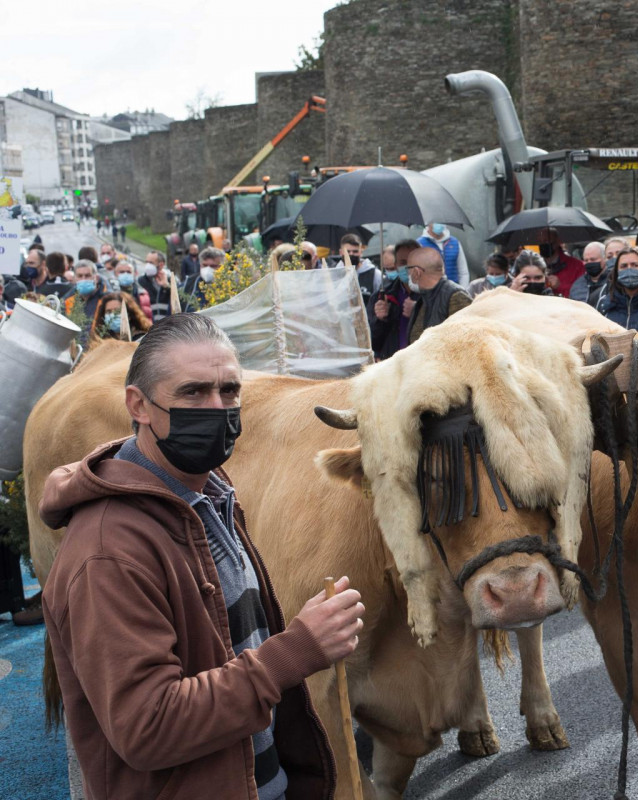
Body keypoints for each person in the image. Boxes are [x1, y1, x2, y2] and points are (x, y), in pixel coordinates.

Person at [40, 314, 351, 799]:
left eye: (230, 391)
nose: (218, 408)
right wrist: (296, 651)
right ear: (137, 405)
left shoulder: (211, 495)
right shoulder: (107, 552)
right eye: (193, 392)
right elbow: (148, 727)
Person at [406, 247, 471, 344]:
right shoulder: (423, 299)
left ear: (416, 272)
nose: (408, 274)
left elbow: (466, 341)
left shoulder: (456, 297)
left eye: (408, 269)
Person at [368, 239, 420, 359]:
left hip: (421, 363)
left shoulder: (431, 294)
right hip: (392, 364)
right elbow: (373, 343)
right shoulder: (381, 296)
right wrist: (380, 319)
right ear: (396, 265)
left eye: (412, 261)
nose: (407, 266)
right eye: (403, 262)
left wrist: (418, 311)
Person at [331, 233, 380, 307]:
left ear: (361, 252)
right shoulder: (333, 273)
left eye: (355, 251)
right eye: (348, 252)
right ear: (341, 252)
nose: (351, 254)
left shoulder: (374, 274)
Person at [536, 227, 585, 299]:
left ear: (557, 242)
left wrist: (560, 286)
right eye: (540, 242)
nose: (543, 244)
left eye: (546, 241)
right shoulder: (535, 267)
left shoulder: (577, 265)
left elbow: (581, 293)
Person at [137, 257, 173, 322]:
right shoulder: (142, 280)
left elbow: (181, 298)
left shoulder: (172, 279)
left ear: (161, 265)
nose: (148, 265)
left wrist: (166, 286)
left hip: (169, 324)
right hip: (150, 324)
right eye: (146, 262)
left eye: (151, 262)